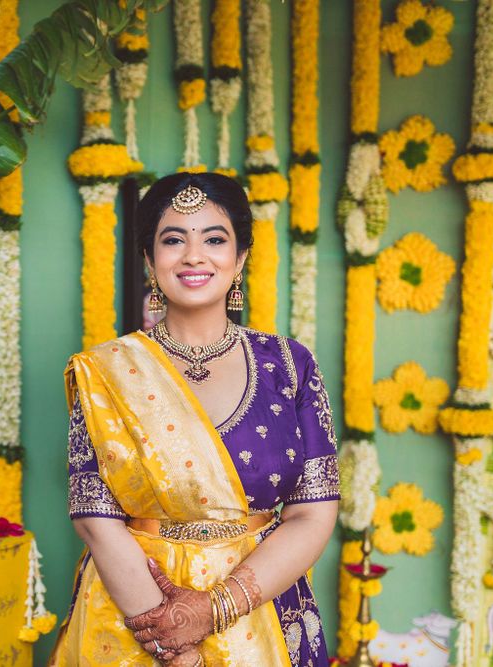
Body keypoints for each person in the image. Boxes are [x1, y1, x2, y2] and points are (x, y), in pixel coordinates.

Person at [48, 172, 339, 666]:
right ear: (149, 258)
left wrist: (215, 608)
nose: (193, 256)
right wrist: (174, 647)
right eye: (173, 239)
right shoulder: (105, 372)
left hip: (262, 614)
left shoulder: (289, 365)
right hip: (132, 623)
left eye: (214, 238)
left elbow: (313, 513)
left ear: (240, 257)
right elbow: (96, 521)